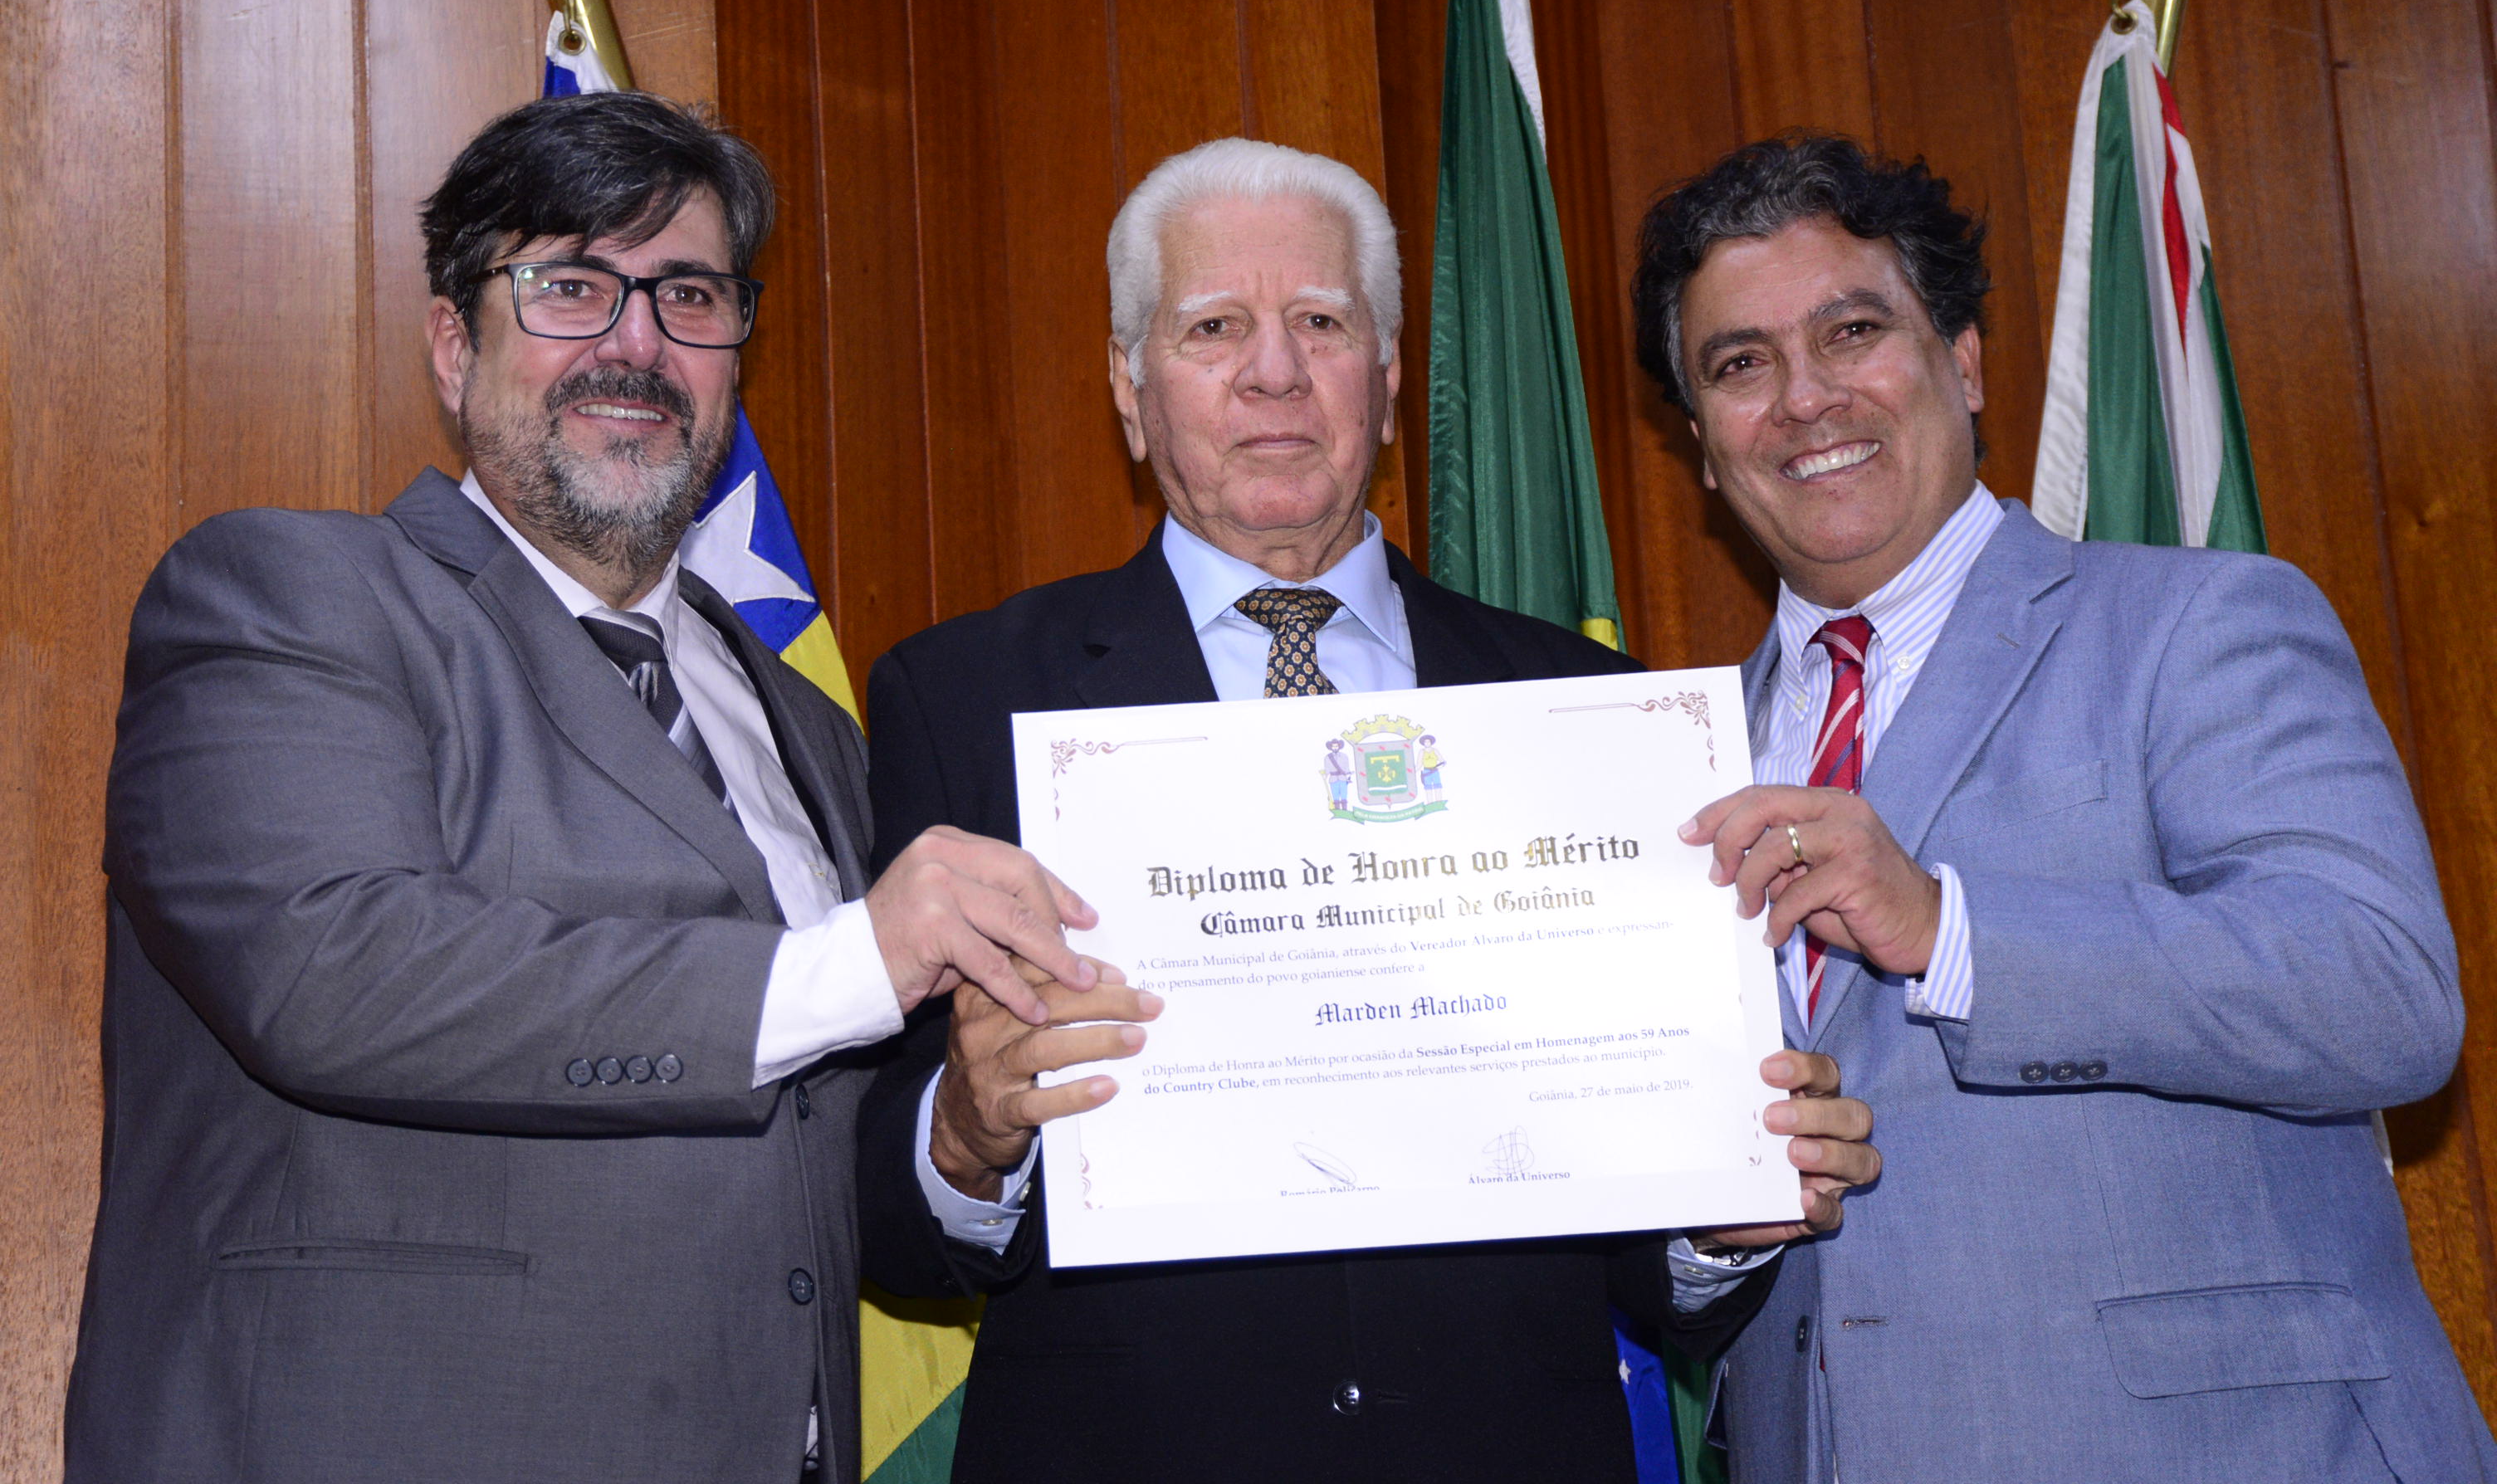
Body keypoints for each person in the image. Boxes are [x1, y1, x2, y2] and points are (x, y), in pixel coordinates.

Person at [66, 91, 1097, 1484]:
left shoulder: (805, 723)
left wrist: (961, 1145)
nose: (637, 344)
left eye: (689, 295)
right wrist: (853, 961)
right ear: (454, 345)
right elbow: (330, 969)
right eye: (569, 287)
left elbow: (816, 1135)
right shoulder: (288, 594)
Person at [856, 138, 1882, 1482]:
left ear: (1389, 378)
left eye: (1322, 323)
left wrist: (1727, 1210)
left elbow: (1653, 1254)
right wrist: (963, 1133)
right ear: (1128, 388)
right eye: (1214, 327)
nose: (1274, 372)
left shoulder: (1593, 714)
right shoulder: (965, 697)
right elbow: (878, 1206)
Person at [1631, 133, 2495, 1482]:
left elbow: (2382, 992)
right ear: (1700, 443)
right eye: (1740, 364)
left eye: (1853, 331)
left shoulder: (2198, 624)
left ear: (1965, 363)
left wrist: (1951, 930)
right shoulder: (1673, 770)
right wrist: (1710, 1239)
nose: (1803, 398)